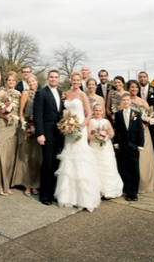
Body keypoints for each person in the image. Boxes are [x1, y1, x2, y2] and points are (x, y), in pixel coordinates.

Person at [54, 71, 101, 211]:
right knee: (69, 158)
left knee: (80, 158)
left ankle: (84, 197)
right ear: (71, 80)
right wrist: (66, 125)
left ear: (80, 81)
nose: (75, 82)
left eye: (77, 80)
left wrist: (80, 127)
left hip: (79, 128)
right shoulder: (66, 94)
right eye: (73, 80)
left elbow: (89, 113)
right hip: (68, 129)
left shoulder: (82, 95)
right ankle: (68, 196)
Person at [33, 69, 64, 205]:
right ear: (47, 78)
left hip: (60, 135)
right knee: (48, 164)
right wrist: (40, 134)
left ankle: (54, 193)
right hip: (47, 134)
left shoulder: (61, 93)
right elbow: (37, 115)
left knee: (57, 164)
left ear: (59, 79)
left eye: (56, 77)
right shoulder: (41, 93)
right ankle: (45, 195)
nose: (53, 79)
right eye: (51, 77)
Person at [0, 71, 21, 195]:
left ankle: (6, 185)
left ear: (16, 81)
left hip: (14, 127)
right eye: (9, 80)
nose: (11, 82)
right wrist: (4, 115)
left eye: (13, 80)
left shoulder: (19, 94)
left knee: (9, 156)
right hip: (2, 125)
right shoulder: (1, 92)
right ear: (6, 81)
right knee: (1, 154)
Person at [128, 79, 154, 194]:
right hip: (131, 134)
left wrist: (146, 123)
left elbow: (149, 115)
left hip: (143, 133)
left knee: (144, 159)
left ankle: (145, 184)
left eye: (136, 87)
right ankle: (133, 185)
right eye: (132, 87)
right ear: (129, 88)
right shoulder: (126, 101)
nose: (134, 89)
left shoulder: (143, 102)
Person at [12, 74, 41, 195]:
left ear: (36, 81)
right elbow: (21, 111)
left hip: (38, 129)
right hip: (27, 127)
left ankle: (35, 184)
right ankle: (27, 185)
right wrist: (23, 126)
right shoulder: (25, 93)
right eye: (29, 81)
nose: (31, 83)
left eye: (33, 81)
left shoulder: (41, 93)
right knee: (27, 157)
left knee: (36, 157)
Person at [88, 103, 122, 200]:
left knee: (107, 165)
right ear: (93, 111)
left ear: (103, 111)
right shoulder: (90, 121)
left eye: (100, 110)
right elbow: (88, 134)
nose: (98, 112)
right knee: (95, 167)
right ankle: (97, 190)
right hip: (94, 147)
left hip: (105, 147)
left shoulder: (106, 121)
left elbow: (112, 133)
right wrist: (97, 139)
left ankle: (109, 190)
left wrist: (106, 136)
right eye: (96, 110)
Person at [113, 93, 143, 202]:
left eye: (127, 100)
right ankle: (128, 191)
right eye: (124, 100)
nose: (125, 102)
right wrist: (116, 142)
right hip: (124, 145)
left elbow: (140, 130)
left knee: (135, 169)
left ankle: (134, 192)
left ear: (130, 101)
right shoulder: (118, 114)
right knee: (126, 168)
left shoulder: (136, 114)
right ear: (122, 102)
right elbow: (116, 130)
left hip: (134, 145)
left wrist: (140, 145)